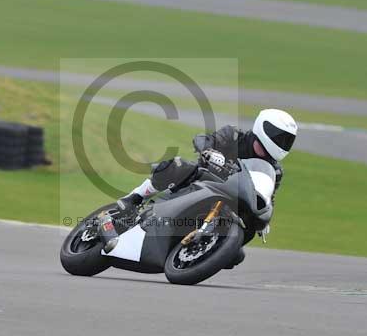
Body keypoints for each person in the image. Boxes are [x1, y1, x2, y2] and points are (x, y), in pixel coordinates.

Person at [116, 109, 297, 263]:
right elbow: (204, 139)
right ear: (263, 128)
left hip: (233, 199)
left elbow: (267, 195)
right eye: (279, 137)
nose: (281, 144)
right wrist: (208, 151)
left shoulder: (275, 170)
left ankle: (211, 248)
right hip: (203, 180)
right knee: (178, 166)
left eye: (286, 140)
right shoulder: (234, 136)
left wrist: (265, 217)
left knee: (239, 251)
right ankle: (135, 197)